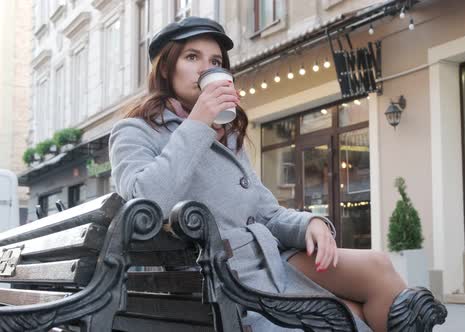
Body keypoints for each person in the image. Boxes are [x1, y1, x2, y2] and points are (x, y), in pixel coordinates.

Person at [109, 16, 445, 332]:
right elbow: (144, 204)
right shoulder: (136, 131)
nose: (206, 69)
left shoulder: (226, 134)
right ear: (166, 68)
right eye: (193, 57)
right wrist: (198, 123)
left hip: (267, 260)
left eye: (215, 62)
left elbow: (265, 212)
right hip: (221, 281)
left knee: (377, 266)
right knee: (350, 314)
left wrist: (310, 224)